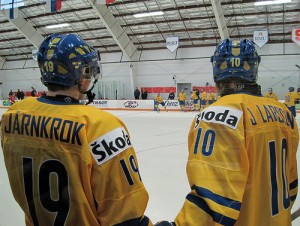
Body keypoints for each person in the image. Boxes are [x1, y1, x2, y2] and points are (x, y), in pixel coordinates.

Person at [1, 33, 153, 226]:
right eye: (87, 70)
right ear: (80, 75)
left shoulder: (13, 115)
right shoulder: (102, 127)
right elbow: (125, 217)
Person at [159, 39, 299, 226]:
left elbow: (213, 203)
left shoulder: (216, 115)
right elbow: (290, 187)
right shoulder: (283, 113)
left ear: (217, 70)